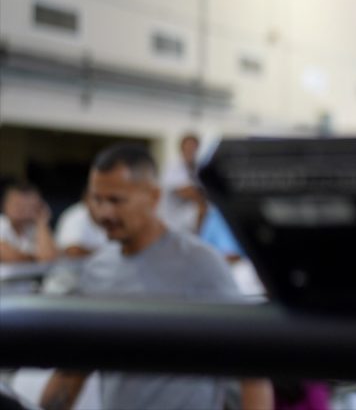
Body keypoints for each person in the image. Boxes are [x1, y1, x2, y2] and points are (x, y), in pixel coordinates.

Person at [39, 143, 272, 410]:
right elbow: (74, 369)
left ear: (153, 196)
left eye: (116, 200)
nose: (104, 212)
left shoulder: (199, 263)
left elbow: (251, 369)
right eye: (97, 199)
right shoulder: (97, 271)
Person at [159, 133, 207, 233]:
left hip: (188, 220)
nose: (190, 149)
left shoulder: (197, 167)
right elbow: (188, 193)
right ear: (181, 148)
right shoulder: (172, 167)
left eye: (193, 146)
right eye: (188, 146)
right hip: (172, 221)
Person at [0, 181, 57, 263]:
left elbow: (49, 257)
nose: (25, 211)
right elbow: (10, 257)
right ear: (5, 205)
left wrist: (42, 223)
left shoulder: (35, 228)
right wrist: (36, 257)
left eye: (30, 206)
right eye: (19, 206)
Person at [54, 189, 110, 258]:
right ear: (86, 200)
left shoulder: (114, 215)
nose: (103, 205)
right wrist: (107, 253)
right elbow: (73, 251)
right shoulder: (74, 216)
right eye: (98, 200)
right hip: (74, 267)